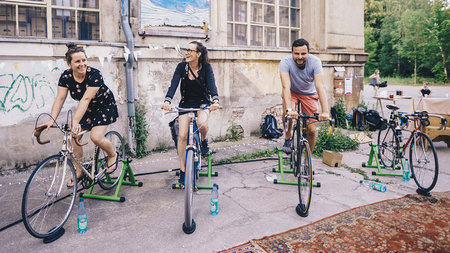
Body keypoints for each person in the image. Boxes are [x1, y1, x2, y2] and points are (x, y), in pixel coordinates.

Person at [38, 43, 119, 187]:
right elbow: (60, 98)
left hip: (104, 106)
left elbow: (86, 98)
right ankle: (79, 170)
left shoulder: (94, 74)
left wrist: (75, 121)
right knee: (71, 137)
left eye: (84, 60)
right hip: (86, 108)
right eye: (77, 61)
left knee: (96, 137)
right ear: (69, 63)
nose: (82, 64)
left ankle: (112, 155)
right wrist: (51, 120)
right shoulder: (66, 77)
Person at [161, 41, 220, 185]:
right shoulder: (182, 67)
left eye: (190, 50)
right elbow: (174, 84)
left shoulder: (206, 68)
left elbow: (212, 84)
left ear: (198, 54)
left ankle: (204, 140)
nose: (186, 52)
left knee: (201, 124)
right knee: (182, 135)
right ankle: (182, 171)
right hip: (186, 104)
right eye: (185, 49)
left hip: (202, 103)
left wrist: (215, 101)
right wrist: (167, 101)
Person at [280, 38, 330, 154]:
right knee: (288, 114)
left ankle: (308, 161)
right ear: (292, 53)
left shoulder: (315, 62)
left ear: (308, 53)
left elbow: (320, 87)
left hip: (309, 93)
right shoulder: (285, 62)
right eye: (296, 53)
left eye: (303, 53)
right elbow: (285, 87)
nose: (300, 57)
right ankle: (288, 137)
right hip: (292, 91)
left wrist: (325, 111)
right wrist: (289, 110)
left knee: (312, 130)